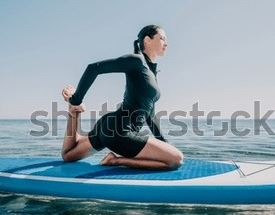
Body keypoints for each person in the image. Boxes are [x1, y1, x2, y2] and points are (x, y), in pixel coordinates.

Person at [61, 25, 183, 170]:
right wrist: (76, 99)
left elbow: (149, 114)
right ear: (147, 40)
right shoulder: (137, 61)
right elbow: (93, 68)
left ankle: (75, 112)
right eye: (162, 38)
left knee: (68, 155)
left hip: (110, 126)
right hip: (120, 131)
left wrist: (163, 142)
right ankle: (115, 161)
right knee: (176, 160)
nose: (166, 43)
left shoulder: (151, 72)